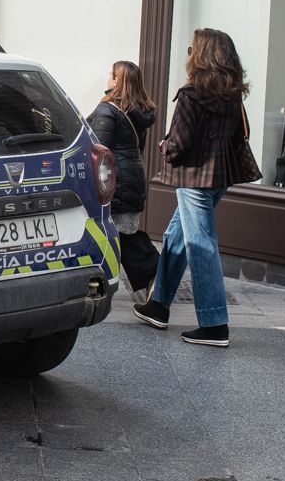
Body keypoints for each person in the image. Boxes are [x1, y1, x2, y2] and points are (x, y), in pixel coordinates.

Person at [133, 29, 260, 348]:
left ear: (200, 56)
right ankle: (158, 306)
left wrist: (165, 147)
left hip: (193, 179)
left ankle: (215, 323)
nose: (188, 54)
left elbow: (180, 144)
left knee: (201, 243)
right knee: (177, 236)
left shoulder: (190, 95)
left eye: (192, 49)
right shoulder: (231, 94)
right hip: (220, 177)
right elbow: (234, 138)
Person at [87, 61, 158, 301]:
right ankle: (151, 275)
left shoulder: (108, 109)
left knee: (109, 233)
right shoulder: (137, 110)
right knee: (117, 233)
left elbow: (97, 148)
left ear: (117, 81)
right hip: (132, 179)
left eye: (111, 75)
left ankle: (155, 271)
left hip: (113, 181)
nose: (108, 79)